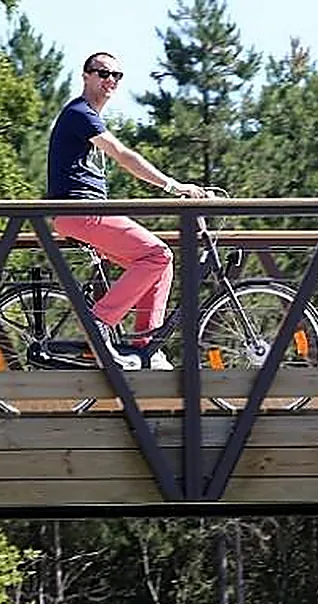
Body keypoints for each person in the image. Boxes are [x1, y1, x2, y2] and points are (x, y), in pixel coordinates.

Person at [45, 51, 210, 370]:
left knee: (160, 265)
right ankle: (100, 323)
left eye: (116, 76)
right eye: (102, 73)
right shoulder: (81, 113)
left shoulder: (88, 118)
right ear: (86, 76)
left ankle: (145, 349)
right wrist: (174, 187)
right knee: (158, 255)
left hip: (84, 215)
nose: (109, 80)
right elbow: (123, 155)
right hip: (82, 211)